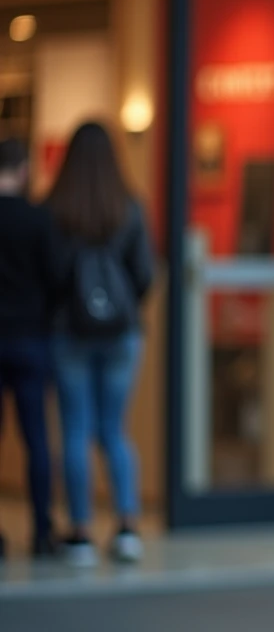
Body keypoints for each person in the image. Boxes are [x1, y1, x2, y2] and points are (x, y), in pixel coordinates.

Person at [45, 122, 155, 567]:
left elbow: (49, 275)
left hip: (69, 331)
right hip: (121, 335)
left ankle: (81, 533)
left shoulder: (56, 209)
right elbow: (145, 273)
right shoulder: (130, 206)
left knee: (75, 430)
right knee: (114, 430)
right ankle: (127, 527)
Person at [0, 139, 63, 559]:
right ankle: (42, 531)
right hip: (30, 339)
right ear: (23, 170)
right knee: (36, 437)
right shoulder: (39, 219)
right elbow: (57, 278)